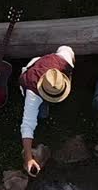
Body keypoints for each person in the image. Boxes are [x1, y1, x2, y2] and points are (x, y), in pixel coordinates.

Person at [19, 45, 76, 177]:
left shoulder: (64, 59)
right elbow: (27, 125)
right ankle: (42, 112)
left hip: (41, 64)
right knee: (40, 114)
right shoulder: (33, 95)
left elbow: (67, 49)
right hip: (30, 77)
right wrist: (28, 158)